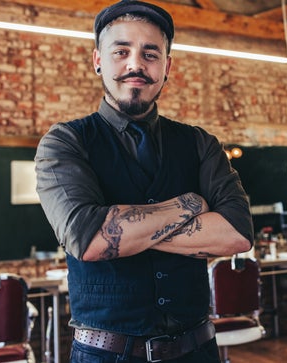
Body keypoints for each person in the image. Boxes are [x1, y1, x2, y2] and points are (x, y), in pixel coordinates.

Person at [34, 1, 253, 362]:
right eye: (121, 51)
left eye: (150, 54)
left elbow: (237, 233)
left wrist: (125, 233)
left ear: (166, 67)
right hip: (105, 354)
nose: (136, 64)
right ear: (98, 61)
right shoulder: (64, 142)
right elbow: (88, 239)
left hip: (197, 349)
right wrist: (191, 204)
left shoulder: (201, 143)